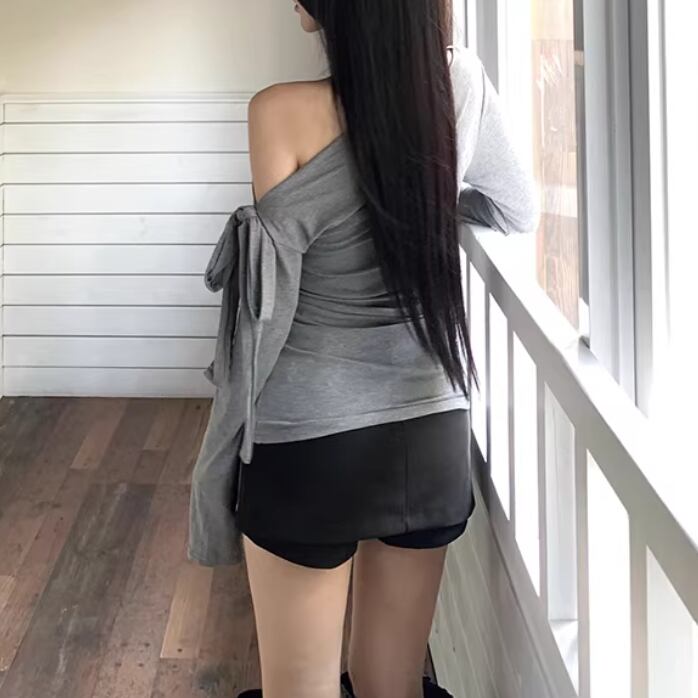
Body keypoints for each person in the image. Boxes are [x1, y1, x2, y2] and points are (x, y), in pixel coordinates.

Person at [230, 2, 540, 697]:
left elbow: (272, 299)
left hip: (307, 436)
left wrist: (227, 439)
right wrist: (423, 202)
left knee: (299, 689)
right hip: (428, 431)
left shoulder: (277, 112)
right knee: (390, 685)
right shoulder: (459, 83)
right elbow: (516, 208)